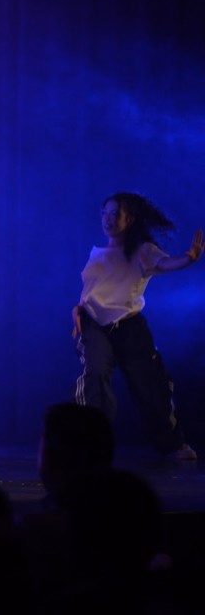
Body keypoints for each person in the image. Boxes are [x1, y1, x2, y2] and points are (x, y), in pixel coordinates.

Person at [72, 192, 202, 460]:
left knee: (151, 384)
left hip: (130, 327)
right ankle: (91, 443)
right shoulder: (96, 254)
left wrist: (188, 259)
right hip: (95, 325)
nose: (107, 219)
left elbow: (165, 263)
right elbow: (92, 291)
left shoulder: (143, 251)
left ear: (129, 219)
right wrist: (78, 309)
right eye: (105, 214)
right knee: (95, 376)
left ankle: (172, 444)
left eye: (114, 214)